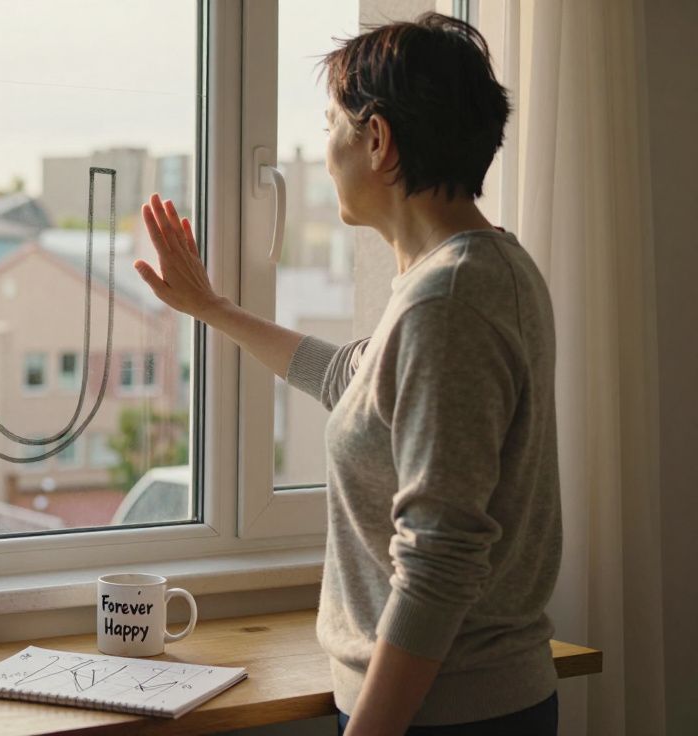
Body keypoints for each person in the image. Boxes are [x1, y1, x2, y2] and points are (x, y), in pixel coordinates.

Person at [135, 13, 559, 736]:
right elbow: (349, 380)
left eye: (332, 123)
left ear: (379, 141)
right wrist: (214, 309)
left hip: (445, 714)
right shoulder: (480, 270)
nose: (325, 148)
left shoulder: (448, 302)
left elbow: (440, 557)